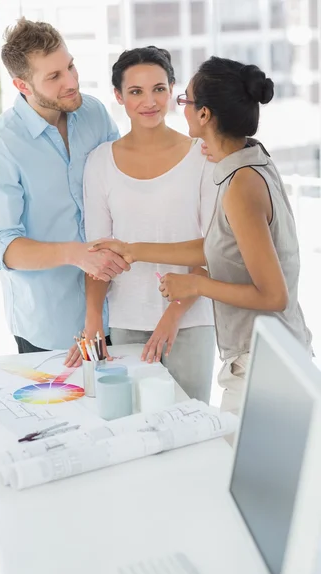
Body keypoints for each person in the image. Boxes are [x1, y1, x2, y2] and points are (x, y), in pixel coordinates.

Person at [91, 56, 312, 412]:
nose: (180, 107)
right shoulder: (252, 159)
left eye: (186, 100)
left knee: (226, 461)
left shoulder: (240, 185)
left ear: (205, 115)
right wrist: (131, 249)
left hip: (267, 363)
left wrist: (195, 286)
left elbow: (274, 296)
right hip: (267, 356)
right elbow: (214, 248)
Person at [0, 17, 130, 356]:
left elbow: (120, 191)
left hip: (116, 310)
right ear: (23, 85)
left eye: (70, 66)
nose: (72, 82)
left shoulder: (95, 115)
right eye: (54, 77)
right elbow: (3, 247)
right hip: (49, 327)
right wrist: (76, 254)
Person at [80, 46, 217, 403]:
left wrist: (172, 316)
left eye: (158, 88)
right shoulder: (99, 163)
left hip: (190, 321)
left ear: (172, 88)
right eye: (136, 92)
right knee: (135, 427)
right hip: (127, 320)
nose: (149, 101)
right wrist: (94, 316)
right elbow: (97, 252)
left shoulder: (202, 155)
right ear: (119, 96)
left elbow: (213, 248)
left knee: (192, 427)